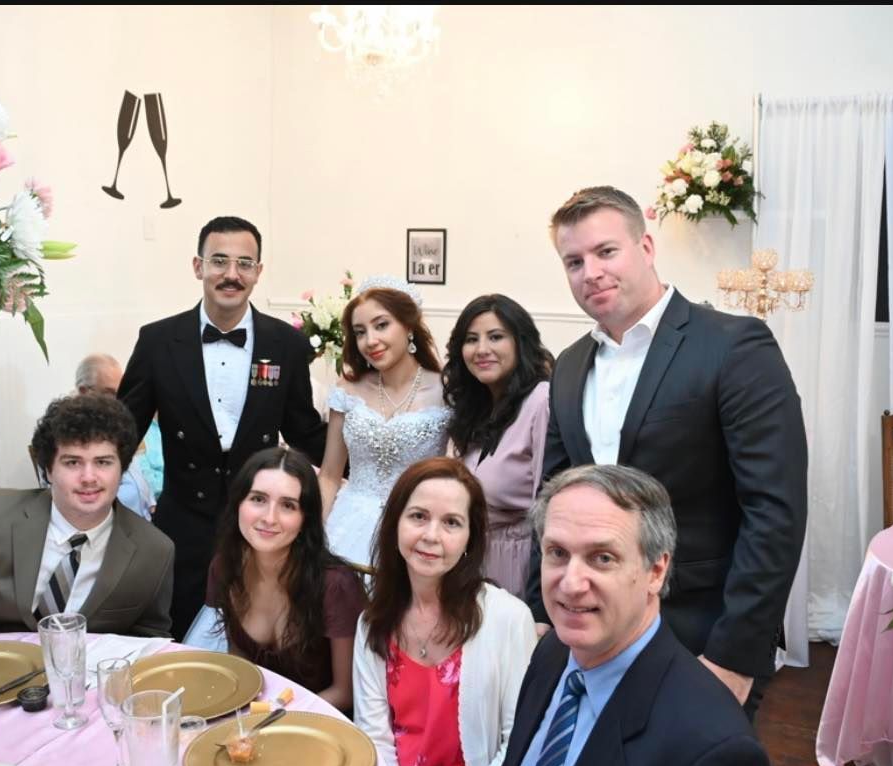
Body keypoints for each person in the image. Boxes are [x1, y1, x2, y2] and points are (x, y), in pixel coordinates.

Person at [526, 186, 807, 718]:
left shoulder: (734, 346)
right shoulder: (568, 365)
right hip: (589, 625)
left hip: (697, 630)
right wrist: (543, 611)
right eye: (574, 261)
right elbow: (552, 498)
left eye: (606, 251)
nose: (592, 272)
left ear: (647, 247)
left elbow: (775, 512)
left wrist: (734, 656)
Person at [118, 215, 327, 639]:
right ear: (198, 267)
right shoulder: (158, 340)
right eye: (219, 261)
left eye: (244, 264)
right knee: (179, 639)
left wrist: (370, 463)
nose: (231, 275)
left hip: (260, 524)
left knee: (258, 643)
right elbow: (124, 430)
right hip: (183, 526)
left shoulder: (285, 344)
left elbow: (304, 430)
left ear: (258, 273)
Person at [500, 465, 772, 766]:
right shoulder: (552, 651)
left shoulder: (718, 750)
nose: (571, 583)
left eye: (602, 558)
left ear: (656, 571)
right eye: (557, 552)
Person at [0, 394, 174, 637]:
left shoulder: (154, 551)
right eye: (72, 462)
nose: (89, 477)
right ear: (48, 470)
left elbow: (149, 638)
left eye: (103, 462)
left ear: (122, 469)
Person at [354, 457, 536, 766]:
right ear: (395, 522)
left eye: (451, 522)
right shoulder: (373, 621)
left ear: (470, 537)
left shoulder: (509, 619)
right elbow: (374, 739)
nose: (431, 535)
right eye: (418, 517)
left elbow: (517, 744)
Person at [198, 447, 365, 712]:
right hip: (252, 719)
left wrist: (270, 719)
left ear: (305, 519)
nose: (269, 518)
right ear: (238, 504)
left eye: (288, 505)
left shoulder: (335, 586)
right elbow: (240, 665)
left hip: (319, 725)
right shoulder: (224, 567)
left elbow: (346, 693)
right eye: (258, 499)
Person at [318, 276, 450, 567]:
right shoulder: (347, 389)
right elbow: (329, 475)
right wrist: (313, 536)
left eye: (381, 325)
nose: (370, 341)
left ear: (408, 325)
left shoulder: (447, 392)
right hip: (347, 525)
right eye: (360, 332)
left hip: (416, 527)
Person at [444, 294, 553, 598]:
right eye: (471, 339)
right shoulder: (473, 408)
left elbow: (548, 509)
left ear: (521, 342)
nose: (482, 350)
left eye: (495, 337)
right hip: (470, 564)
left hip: (519, 570)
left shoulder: (541, 401)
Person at [75, 353, 154, 520]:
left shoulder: (118, 428)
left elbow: (139, 477)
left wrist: (151, 502)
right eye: (110, 393)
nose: (120, 401)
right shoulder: (70, 439)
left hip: (144, 522)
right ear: (84, 392)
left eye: (122, 392)